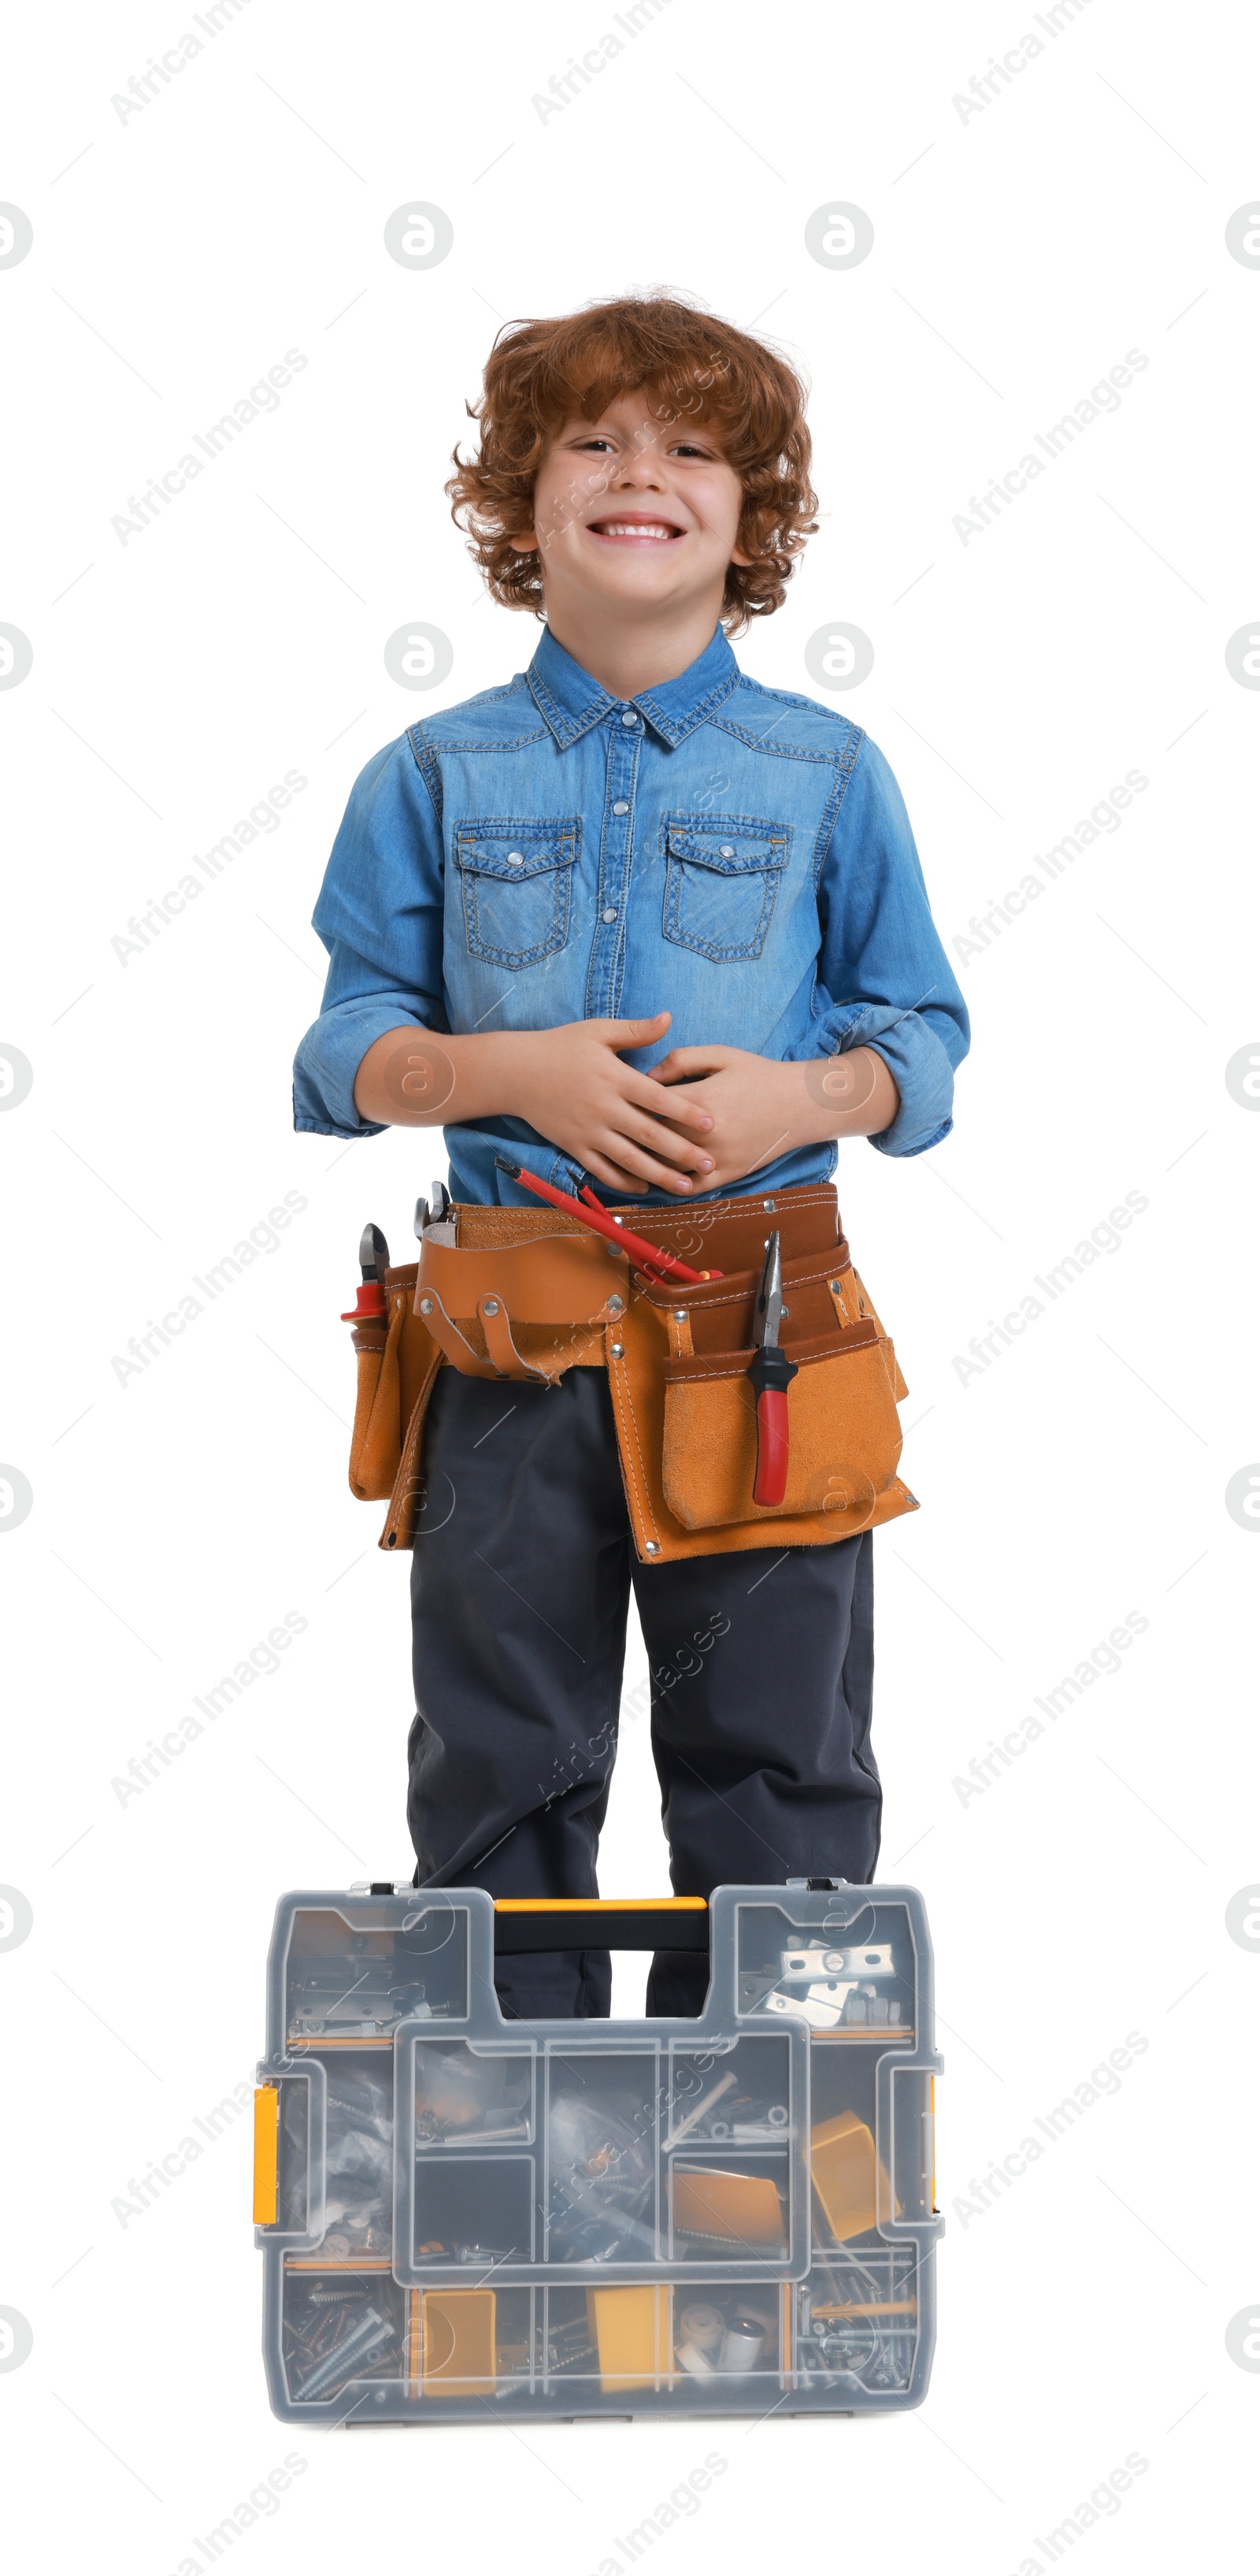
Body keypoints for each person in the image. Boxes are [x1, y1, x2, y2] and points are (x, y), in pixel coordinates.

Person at [293, 294, 969, 2021]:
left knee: (780, 1775)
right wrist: (502, 1068)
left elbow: (920, 1044)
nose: (635, 474)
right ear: (520, 507)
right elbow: (341, 1049)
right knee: (497, 1769)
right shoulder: (429, 774)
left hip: (762, 1337)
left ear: (753, 519)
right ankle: (516, 2190)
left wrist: (797, 1104)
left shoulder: (825, 772)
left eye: (689, 447)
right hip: (506, 1348)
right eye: (589, 441)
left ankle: (765, 2206)